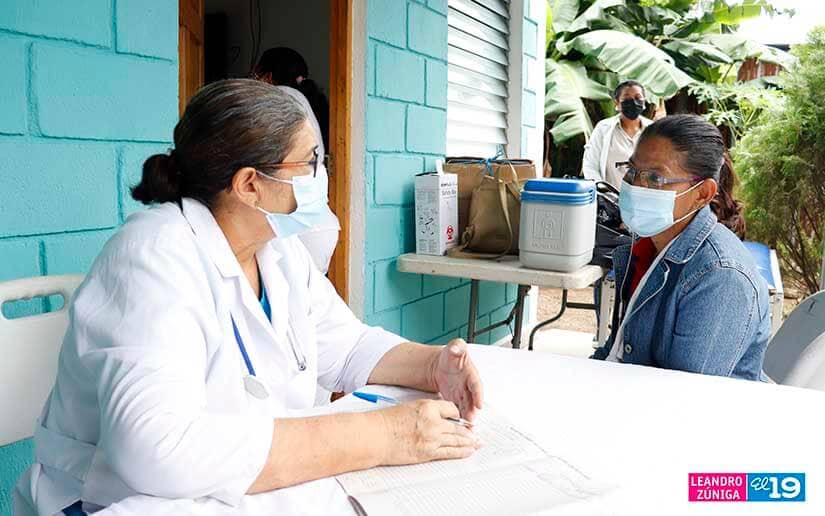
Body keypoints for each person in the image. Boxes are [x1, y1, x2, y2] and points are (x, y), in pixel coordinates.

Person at [14, 80, 483, 516]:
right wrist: (385, 435)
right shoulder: (152, 258)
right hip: (115, 499)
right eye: (310, 163)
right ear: (250, 184)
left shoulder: (276, 251)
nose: (322, 176)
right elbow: (156, 450)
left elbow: (346, 346)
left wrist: (432, 365)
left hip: (232, 488)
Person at [591, 115, 771, 380]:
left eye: (654, 177)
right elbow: (617, 349)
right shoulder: (647, 248)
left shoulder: (720, 277)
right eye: (632, 171)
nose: (635, 185)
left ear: (702, 194)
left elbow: (686, 398)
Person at [253, 47, 338, 275]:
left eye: (255, 77)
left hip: (296, 229)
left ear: (267, 76)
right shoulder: (304, 100)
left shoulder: (276, 101)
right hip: (319, 223)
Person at [582, 80, 653, 190]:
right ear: (617, 103)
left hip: (645, 198)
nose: (633, 102)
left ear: (644, 102)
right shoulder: (603, 128)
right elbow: (590, 165)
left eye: (638, 98)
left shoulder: (653, 130)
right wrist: (601, 189)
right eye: (627, 99)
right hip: (611, 198)